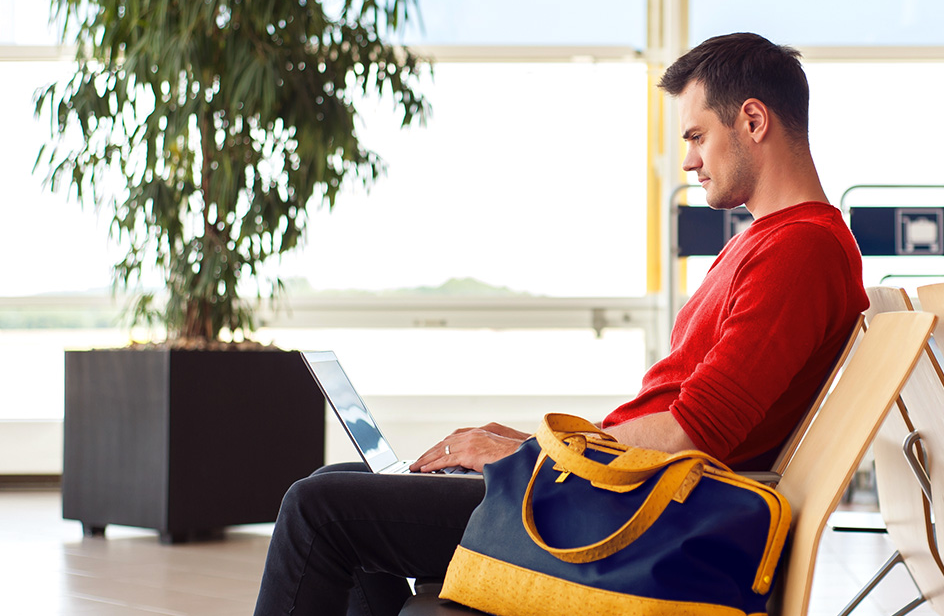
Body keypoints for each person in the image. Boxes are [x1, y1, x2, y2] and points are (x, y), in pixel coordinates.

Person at [253, 31, 868, 616]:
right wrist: (535, 450)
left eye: (698, 137)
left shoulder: (802, 251)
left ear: (753, 122)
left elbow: (692, 434)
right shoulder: (770, 243)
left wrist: (536, 454)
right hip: (609, 493)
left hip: (622, 520)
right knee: (344, 479)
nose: (689, 161)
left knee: (318, 506)